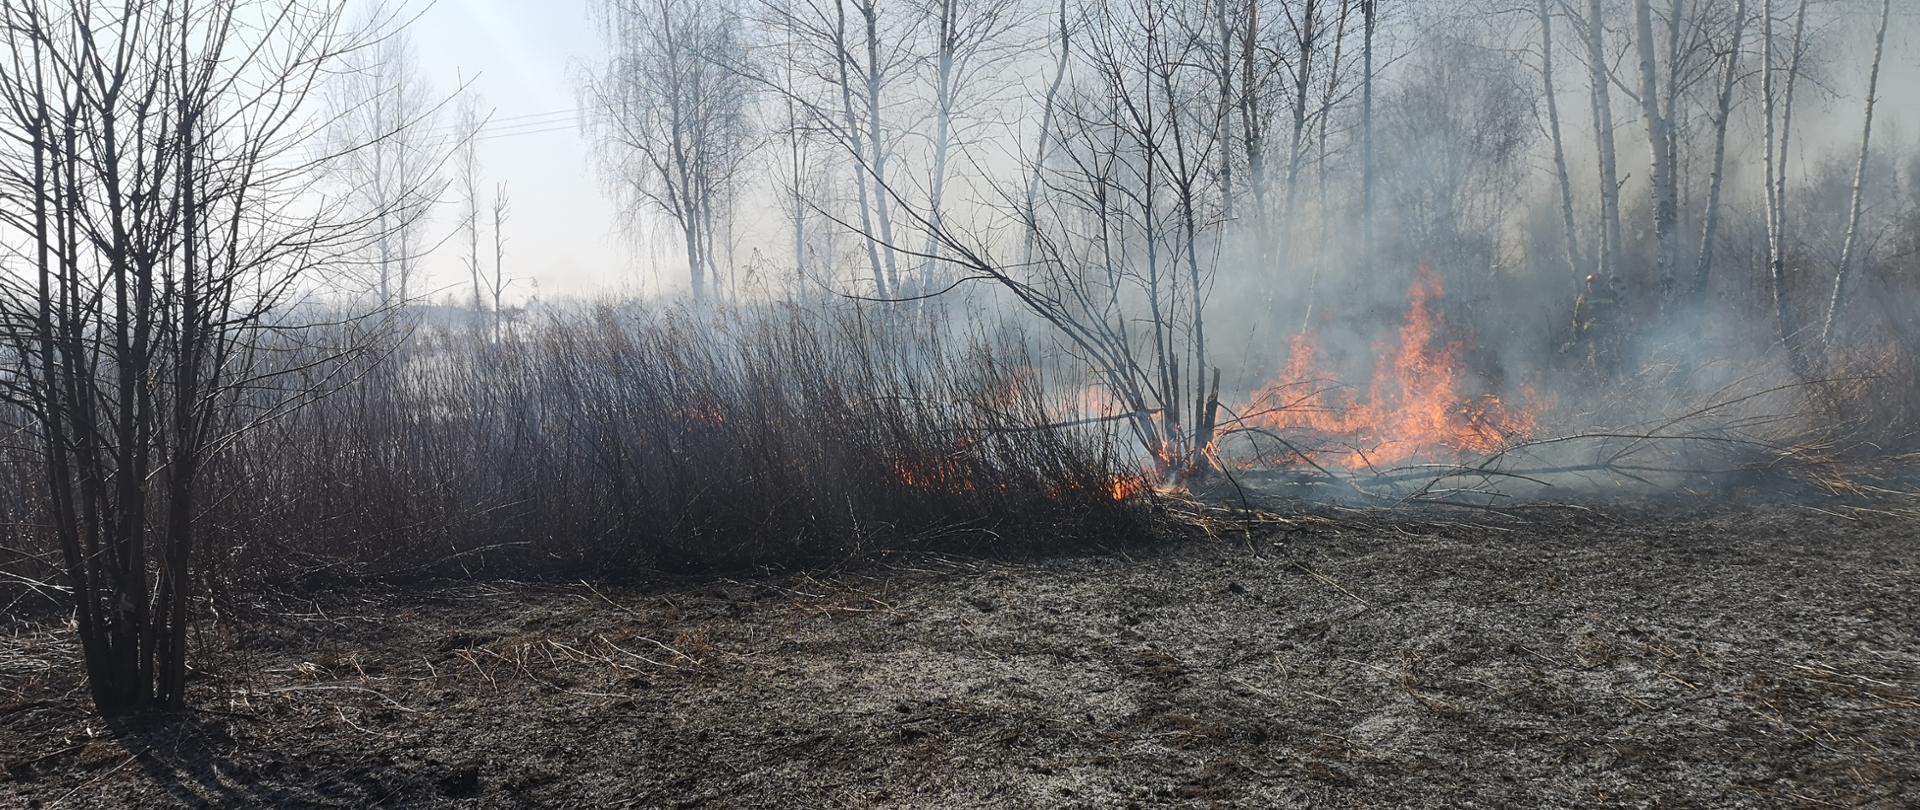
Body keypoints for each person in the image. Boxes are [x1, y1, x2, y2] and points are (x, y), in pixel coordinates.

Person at [1572, 274, 1622, 375]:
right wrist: (1577, 333)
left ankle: (1612, 376)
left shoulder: (1611, 295)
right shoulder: (1584, 298)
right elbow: (1577, 317)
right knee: (1596, 356)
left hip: (1609, 330)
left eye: (1594, 284)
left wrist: (1619, 326)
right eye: (1589, 284)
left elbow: (1619, 312)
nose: (1591, 286)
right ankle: (1599, 377)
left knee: (1613, 355)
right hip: (1592, 332)